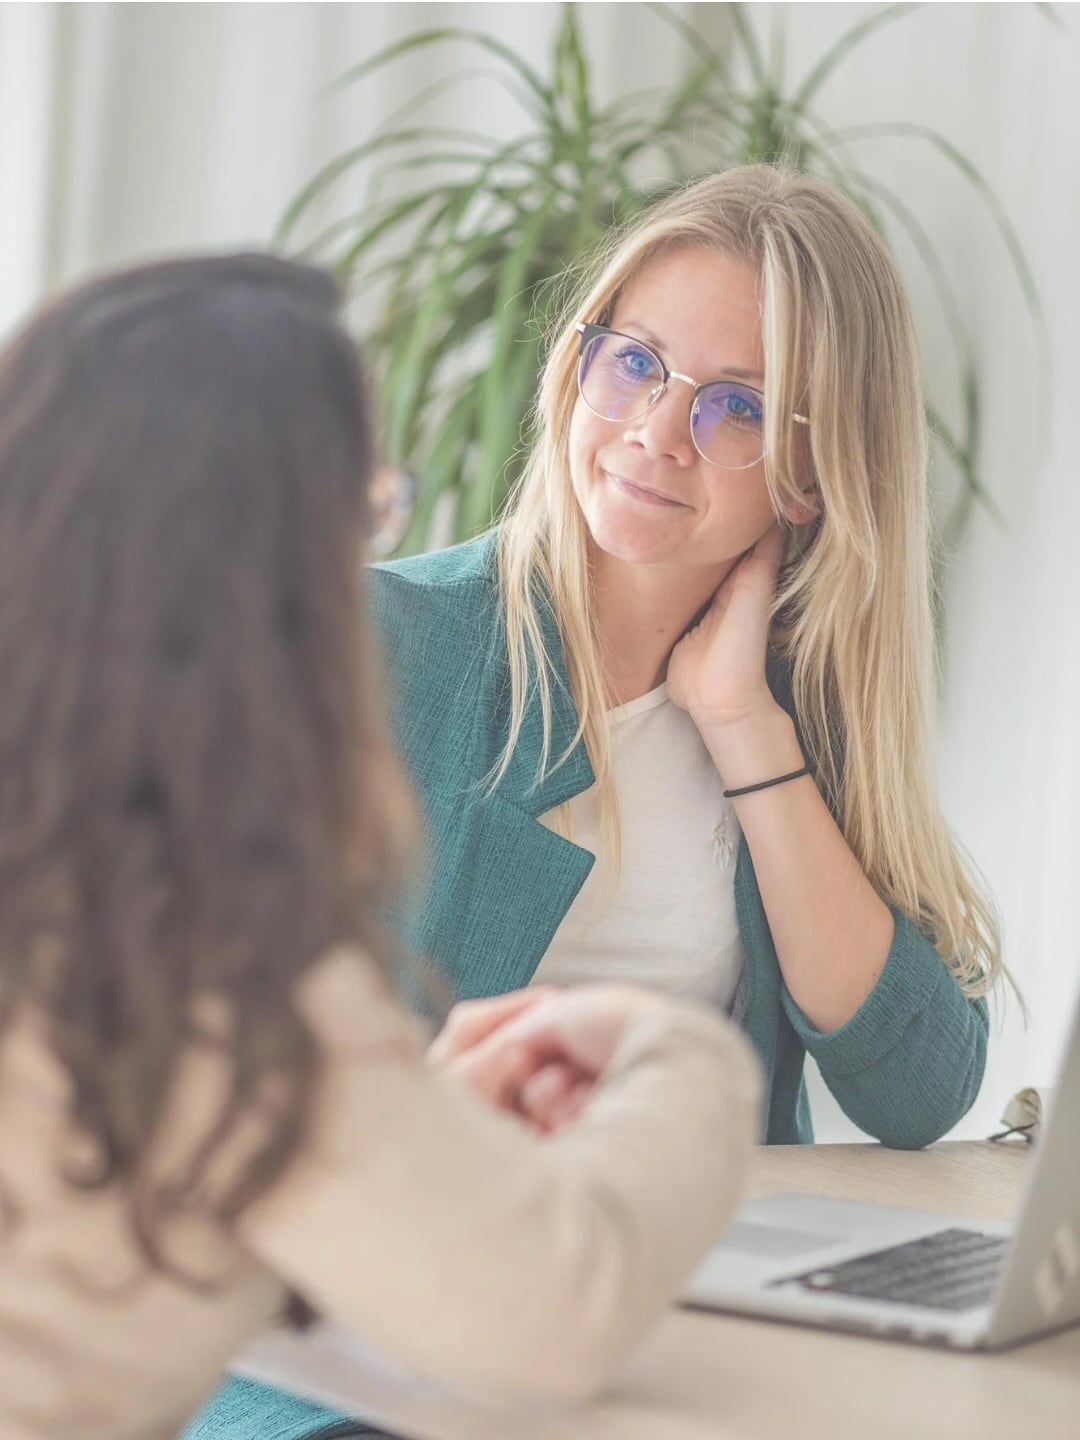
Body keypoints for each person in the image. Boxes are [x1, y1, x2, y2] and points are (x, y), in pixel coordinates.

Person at [191, 162, 1004, 1440]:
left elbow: (920, 1092)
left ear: (807, 476)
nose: (657, 432)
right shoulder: (372, 644)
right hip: (352, 1360)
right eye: (634, 363)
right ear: (577, 366)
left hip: (662, 1341)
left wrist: (743, 730)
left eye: (738, 405)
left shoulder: (791, 721)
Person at [0, 254, 763, 1440]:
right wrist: (682, 1059)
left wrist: (405, 1125)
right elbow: (551, 1312)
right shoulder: (223, 975)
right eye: (367, 512)